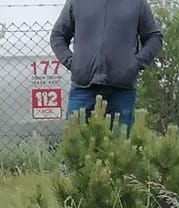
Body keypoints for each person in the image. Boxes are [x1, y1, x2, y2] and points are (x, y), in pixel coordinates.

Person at [50, 0, 162, 133]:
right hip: (83, 88)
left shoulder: (137, 3)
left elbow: (154, 38)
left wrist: (135, 64)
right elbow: (58, 36)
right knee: (75, 144)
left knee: (120, 148)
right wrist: (73, 63)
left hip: (121, 90)